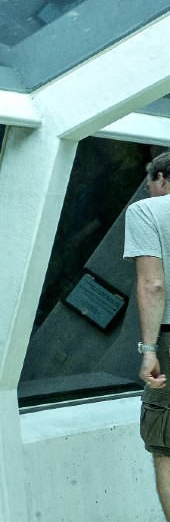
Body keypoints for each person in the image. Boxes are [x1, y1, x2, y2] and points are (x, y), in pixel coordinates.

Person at [127, 150, 170, 521]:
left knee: (166, 445)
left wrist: (149, 349)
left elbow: (154, 284)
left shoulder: (147, 211)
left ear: (161, 178)